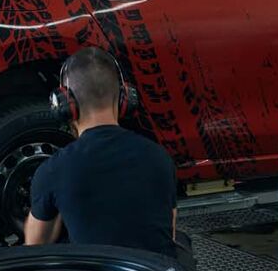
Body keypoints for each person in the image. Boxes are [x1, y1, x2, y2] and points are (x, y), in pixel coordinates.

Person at [25, 47, 179, 256]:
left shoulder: (53, 170)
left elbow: (35, 247)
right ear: (125, 99)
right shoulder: (160, 158)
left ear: (65, 104)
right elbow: (170, 234)